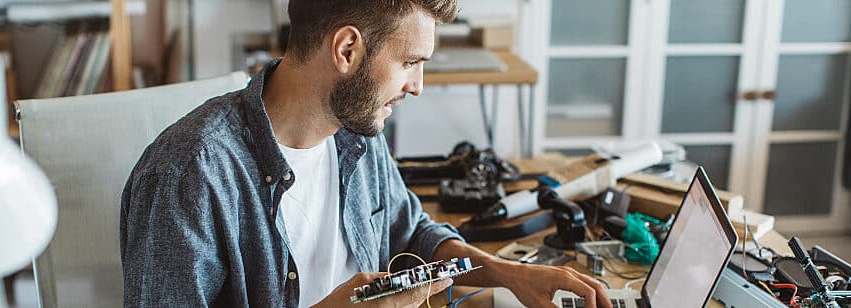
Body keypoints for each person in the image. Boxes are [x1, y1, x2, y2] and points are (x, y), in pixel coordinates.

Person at [119, 0, 612, 307]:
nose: (417, 87)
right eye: (409, 63)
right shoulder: (188, 175)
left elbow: (413, 234)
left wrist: (512, 276)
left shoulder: (357, 133)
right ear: (347, 50)